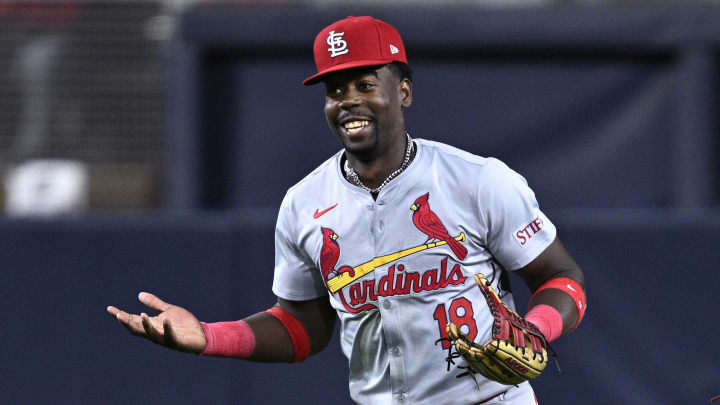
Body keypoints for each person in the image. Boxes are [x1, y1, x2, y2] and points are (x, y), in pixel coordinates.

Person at [108, 16, 586, 404]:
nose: (349, 101)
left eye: (364, 83)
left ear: (402, 91)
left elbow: (561, 277)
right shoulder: (304, 203)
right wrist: (210, 336)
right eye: (335, 90)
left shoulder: (477, 180)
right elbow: (302, 329)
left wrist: (536, 328)